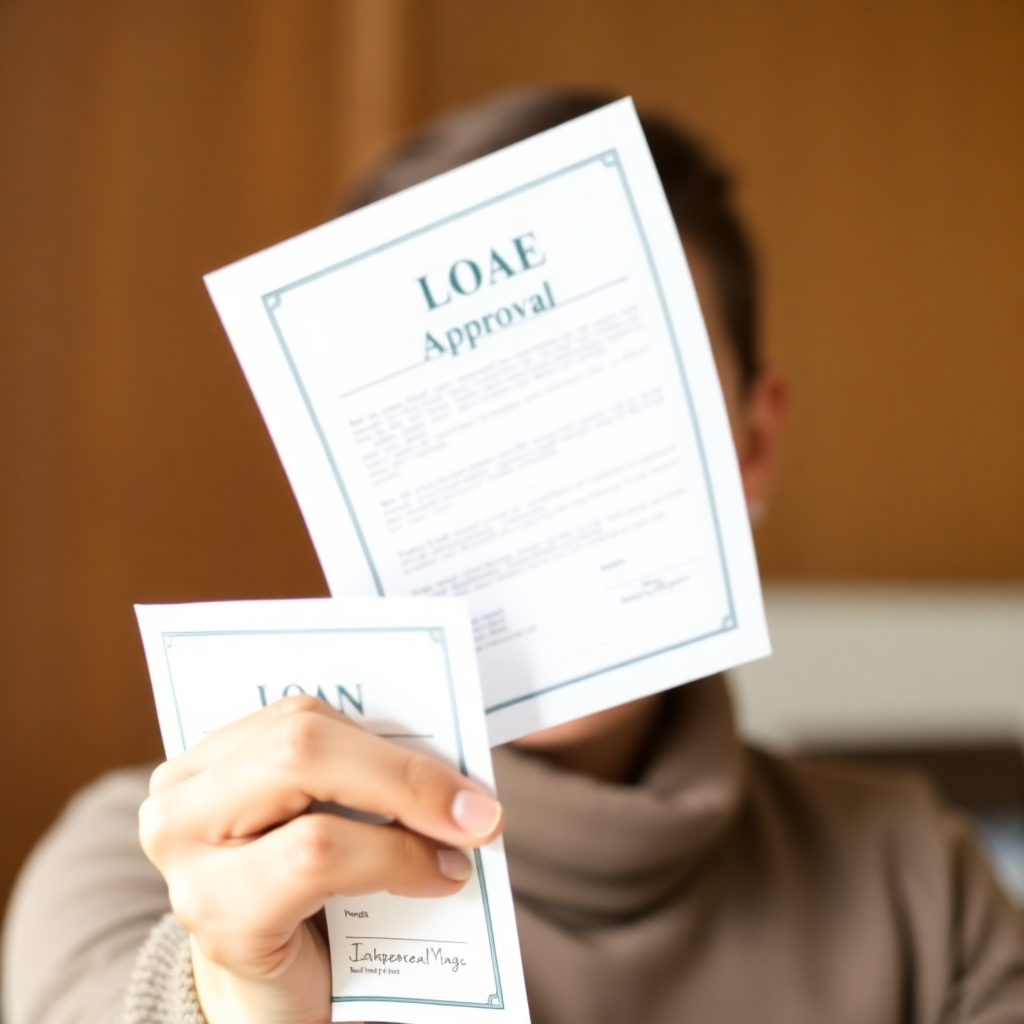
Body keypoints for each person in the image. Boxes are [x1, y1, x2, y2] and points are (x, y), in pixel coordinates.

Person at [4, 89, 1024, 1024]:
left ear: (751, 442)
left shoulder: (922, 890)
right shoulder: (147, 864)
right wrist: (233, 993)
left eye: (610, 374)